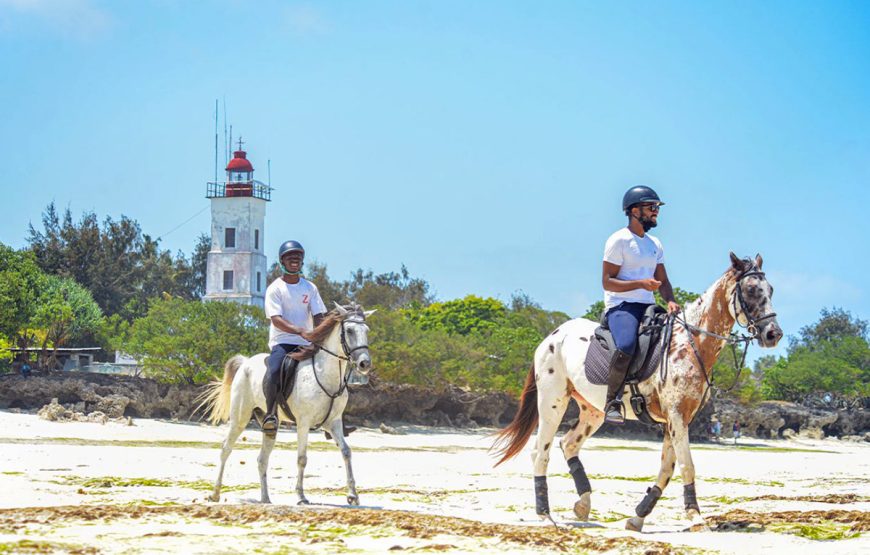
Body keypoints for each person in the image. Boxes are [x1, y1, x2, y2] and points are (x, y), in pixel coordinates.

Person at [601, 186, 680, 425]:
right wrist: (640, 284)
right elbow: (607, 282)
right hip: (622, 306)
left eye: (657, 207)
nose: (656, 211)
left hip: (648, 306)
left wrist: (670, 300)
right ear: (634, 211)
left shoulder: (655, 243)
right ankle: (612, 402)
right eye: (651, 207)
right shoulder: (619, 240)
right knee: (626, 346)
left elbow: (663, 280)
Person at [262, 240, 328, 434]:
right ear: (282, 261)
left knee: (333, 366)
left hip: (306, 342)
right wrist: (300, 331)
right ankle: (270, 414)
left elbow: (319, 315)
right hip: (283, 342)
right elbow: (276, 320)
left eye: (298, 257)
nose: (294, 260)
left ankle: (331, 416)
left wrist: (320, 334)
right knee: (274, 371)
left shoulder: (310, 288)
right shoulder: (275, 288)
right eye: (290, 257)